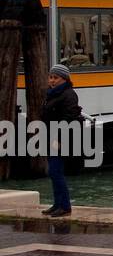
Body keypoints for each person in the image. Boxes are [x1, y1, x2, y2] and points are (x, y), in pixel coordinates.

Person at [40, 64, 79, 217]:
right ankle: (57, 204)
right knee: (53, 171)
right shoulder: (52, 94)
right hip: (50, 136)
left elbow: (69, 119)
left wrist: (60, 139)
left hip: (60, 138)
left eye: (56, 78)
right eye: (51, 77)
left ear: (64, 79)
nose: (52, 81)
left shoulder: (69, 94)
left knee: (56, 171)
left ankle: (65, 206)